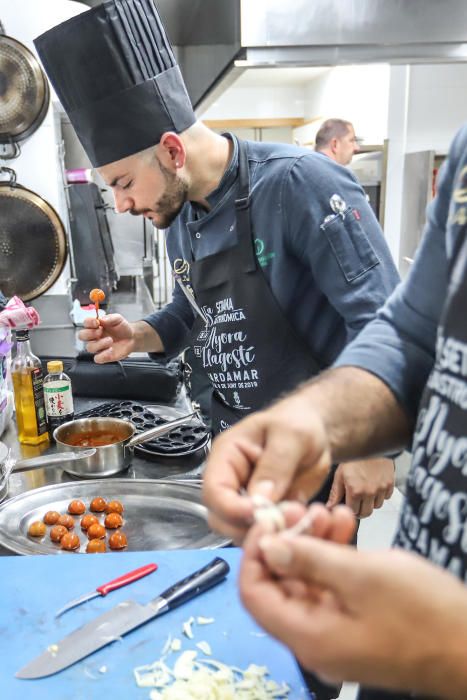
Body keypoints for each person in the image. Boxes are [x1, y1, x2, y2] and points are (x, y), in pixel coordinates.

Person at [34, 1, 398, 521]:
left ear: (172, 151)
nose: (120, 205)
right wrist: (138, 335)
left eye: (124, 183)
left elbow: (385, 318)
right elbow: (192, 313)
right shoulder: (179, 214)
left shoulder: (300, 185)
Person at [202, 120, 467, 700]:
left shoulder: (295, 182)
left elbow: (368, 304)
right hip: (408, 626)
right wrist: (314, 420)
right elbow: (412, 334)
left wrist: (444, 643)